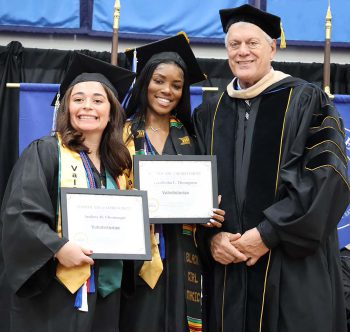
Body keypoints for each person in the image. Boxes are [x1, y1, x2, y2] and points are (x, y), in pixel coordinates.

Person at [193, 4, 349, 332]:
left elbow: (328, 178)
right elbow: (197, 192)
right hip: (230, 271)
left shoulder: (308, 101)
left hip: (291, 268)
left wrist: (268, 234)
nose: (243, 51)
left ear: (272, 48)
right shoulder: (210, 112)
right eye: (234, 44)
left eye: (253, 43)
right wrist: (211, 241)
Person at [0, 52, 135, 332]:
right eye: (78, 99)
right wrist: (58, 248)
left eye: (98, 100)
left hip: (105, 294)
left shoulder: (119, 166)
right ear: (66, 108)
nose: (87, 107)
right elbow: (19, 214)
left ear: (111, 112)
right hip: (54, 294)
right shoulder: (46, 151)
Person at [119, 34, 224, 332]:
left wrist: (208, 211)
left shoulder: (193, 137)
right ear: (144, 83)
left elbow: (206, 190)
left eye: (177, 86)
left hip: (181, 256)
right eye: (159, 81)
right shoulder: (120, 133)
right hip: (137, 259)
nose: (167, 90)